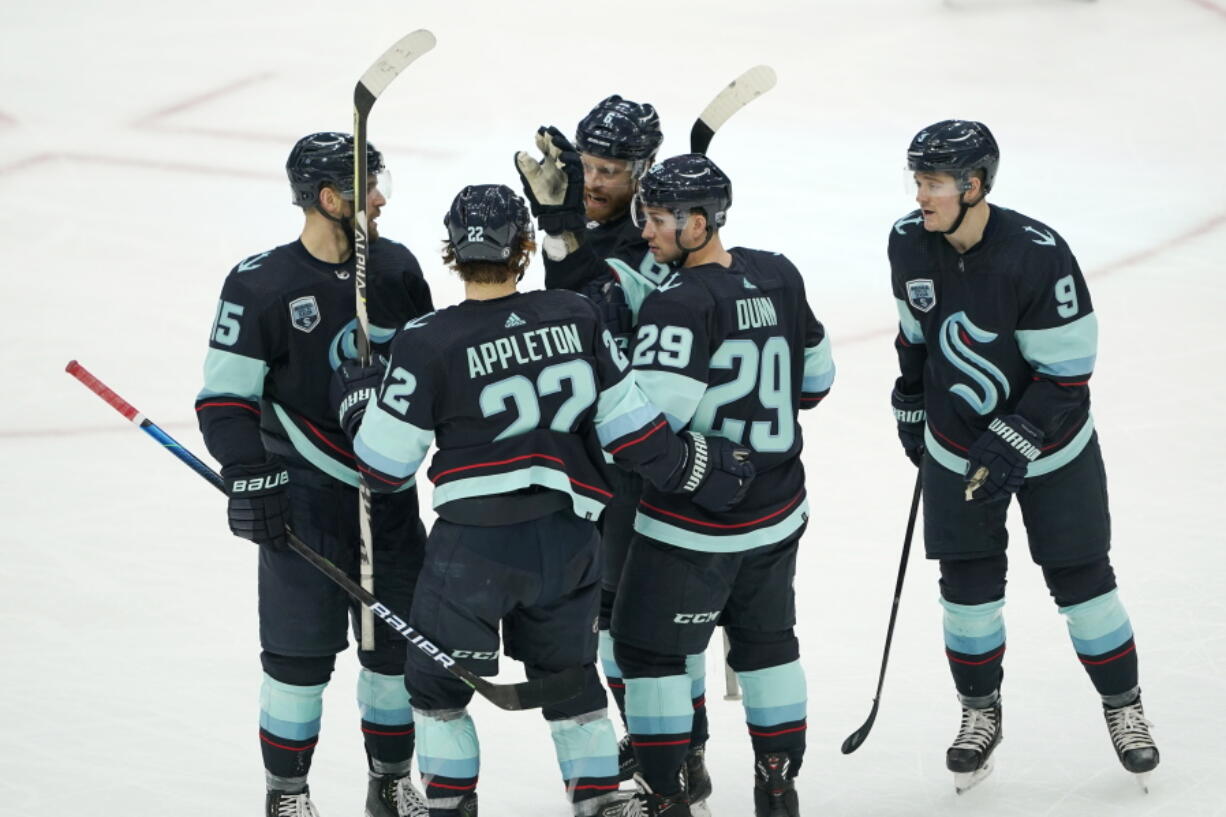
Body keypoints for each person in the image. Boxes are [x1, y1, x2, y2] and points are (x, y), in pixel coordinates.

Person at [335, 184, 755, 817]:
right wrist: (702, 469)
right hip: (568, 544)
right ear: (524, 247)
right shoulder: (574, 314)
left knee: (436, 688)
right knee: (573, 687)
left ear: (452, 251)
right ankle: (600, 806)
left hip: (472, 552)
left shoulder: (427, 340)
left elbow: (382, 470)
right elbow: (636, 434)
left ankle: (451, 807)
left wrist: (360, 404)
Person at [888, 119, 1160, 791]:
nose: (920, 195)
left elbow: (1068, 375)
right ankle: (980, 713)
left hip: (1055, 452)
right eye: (917, 180)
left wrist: (1017, 432)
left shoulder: (1038, 253)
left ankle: (1125, 707)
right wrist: (909, 400)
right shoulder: (906, 242)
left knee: (1085, 585)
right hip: (957, 451)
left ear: (974, 185)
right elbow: (913, 335)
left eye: (934, 183)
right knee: (967, 596)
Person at [195, 131, 433, 817]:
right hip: (304, 500)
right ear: (330, 199)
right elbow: (224, 399)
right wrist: (248, 471)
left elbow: (431, 371)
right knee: (297, 661)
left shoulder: (395, 270)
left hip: (387, 497)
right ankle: (287, 793)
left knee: (393, 655)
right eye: (367, 190)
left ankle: (390, 783)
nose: (381, 199)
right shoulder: (260, 283)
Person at [609, 154, 835, 817]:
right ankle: (777, 782)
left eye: (654, 219)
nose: (644, 232)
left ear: (698, 221)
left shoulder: (675, 303)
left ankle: (667, 793)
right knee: (767, 646)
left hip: (692, 529)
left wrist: (614, 370)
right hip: (779, 511)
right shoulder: (778, 272)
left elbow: (645, 433)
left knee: (648, 650)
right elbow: (815, 383)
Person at [514, 96, 718, 809]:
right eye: (588, 166)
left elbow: (590, 310)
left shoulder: (654, 246)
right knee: (607, 618)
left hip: (651, 455)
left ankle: (685, 746)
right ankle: (655, 732)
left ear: (644, 172)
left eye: (611, 170)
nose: (595, 181)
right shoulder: (599, 233)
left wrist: (564, 229)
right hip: (595, 456)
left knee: (653, 623)